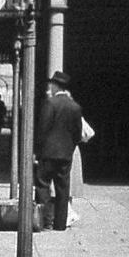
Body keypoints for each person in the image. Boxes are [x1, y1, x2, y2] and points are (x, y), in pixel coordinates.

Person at [34, 71, 83, 231]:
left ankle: (46, 221)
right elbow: (77, 133)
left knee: (43, 185)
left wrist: (37, 151)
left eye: (51, 85)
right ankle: (60, 224)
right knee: (63, 188)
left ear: (55, 86)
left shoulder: (50, 103)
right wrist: (69, 148)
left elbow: (43, 129)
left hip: (48, 154)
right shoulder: (75, 106)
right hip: (65, 155)